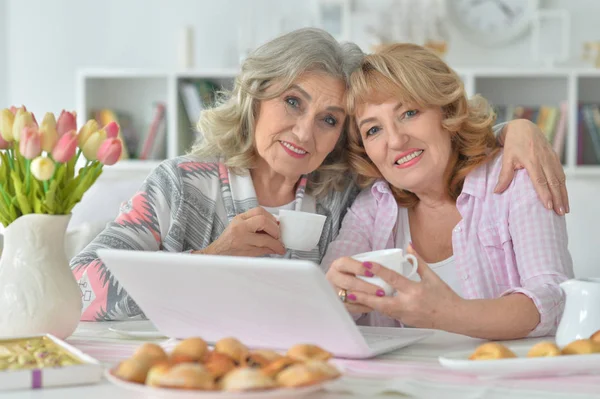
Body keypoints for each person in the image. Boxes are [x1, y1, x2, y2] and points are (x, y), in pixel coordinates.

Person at [71, 29, 568, 322]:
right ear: (255, 96)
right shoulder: (181, 184)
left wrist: (513, 131)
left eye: (329, 119)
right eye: (292, 101)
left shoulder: (344, 191)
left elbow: (422, 149)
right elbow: (78, 290)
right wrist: (210, 260)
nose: (305, 131)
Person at [322, 43, 574, 340]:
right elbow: (324, 296)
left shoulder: (513, 178)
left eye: (409, 112)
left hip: (500, 375)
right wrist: (337, 295)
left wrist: (447, 314)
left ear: (448, 112)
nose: (396, 140)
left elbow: (554, 297)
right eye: (373, 130)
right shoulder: (372, 207)